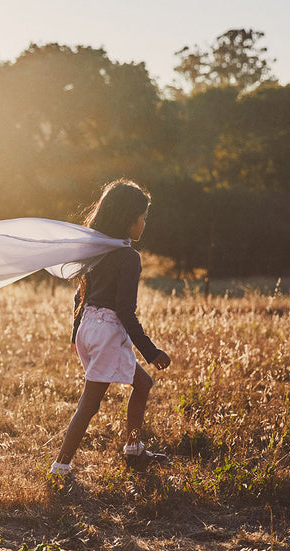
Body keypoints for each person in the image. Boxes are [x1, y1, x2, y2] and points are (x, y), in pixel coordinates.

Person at [48, 179, 171, 485]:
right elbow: (125, 311)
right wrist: (151, 351)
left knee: (142, 384)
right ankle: (60, 467)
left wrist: (76, 334)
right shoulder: (129, 258)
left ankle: (133, 449)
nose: (144, 224)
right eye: (142, 219)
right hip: (106, 333)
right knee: (89, 404)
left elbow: (81, 295)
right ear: (129, 221)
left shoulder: (98, 250)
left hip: (90, 326)